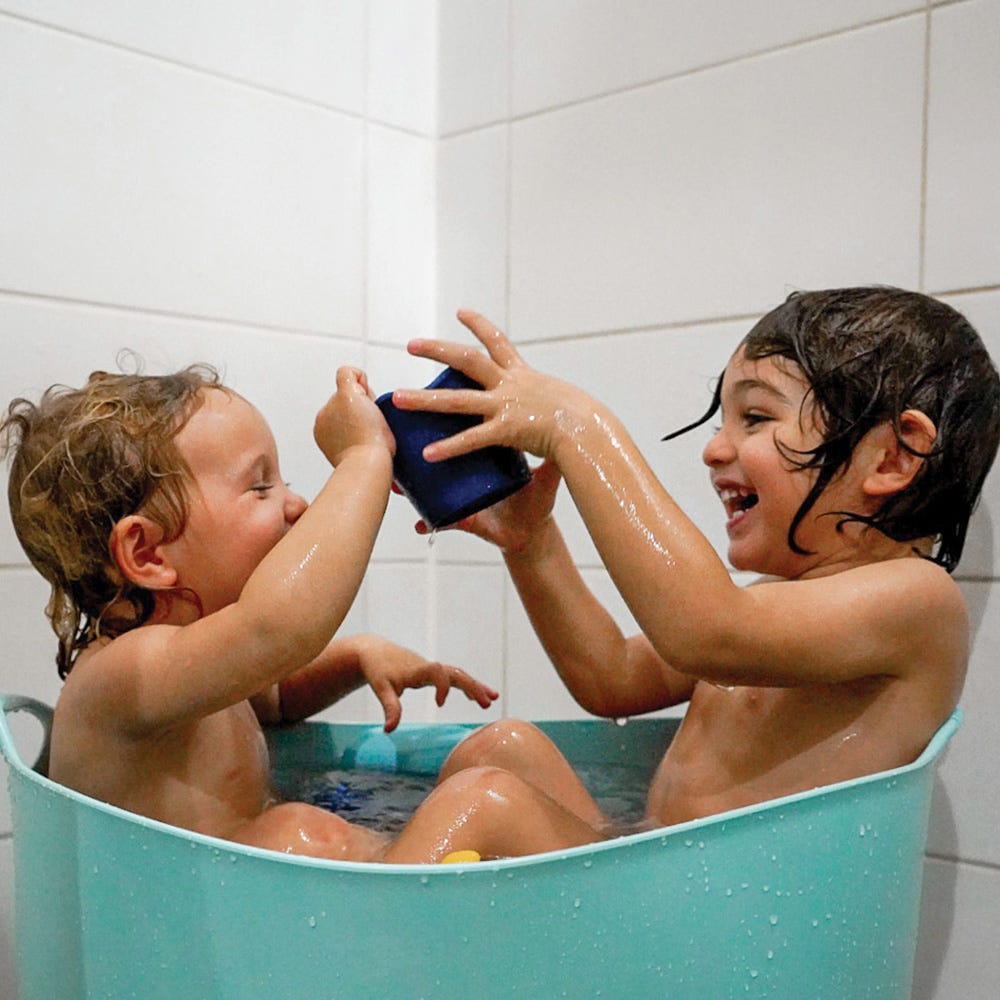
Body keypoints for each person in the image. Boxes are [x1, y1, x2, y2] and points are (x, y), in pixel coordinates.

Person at [392, 287, 1000, 834]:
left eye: (756, 417)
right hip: (666, 878)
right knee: (499, 749)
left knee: (485, 802)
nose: (713, 449)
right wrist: (534, 544)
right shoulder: (770, 603)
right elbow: (611, 679)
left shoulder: (919, 603)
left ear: (892, 458)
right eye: (724, 420)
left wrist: (578, 428)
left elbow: (705, 629)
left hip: (740, 919)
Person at [2, 362, 613, 863]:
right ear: (146, 552)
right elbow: (278, 630)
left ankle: (622, 851)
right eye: (261, 487)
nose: (294, 504)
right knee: (482, 803)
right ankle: (627, 905)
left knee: (509, 747)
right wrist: (364, 458)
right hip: (229, 935)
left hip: (299, 902)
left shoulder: (197, 662)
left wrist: (352, 657)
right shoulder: (120, 679)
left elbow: (271, 698)